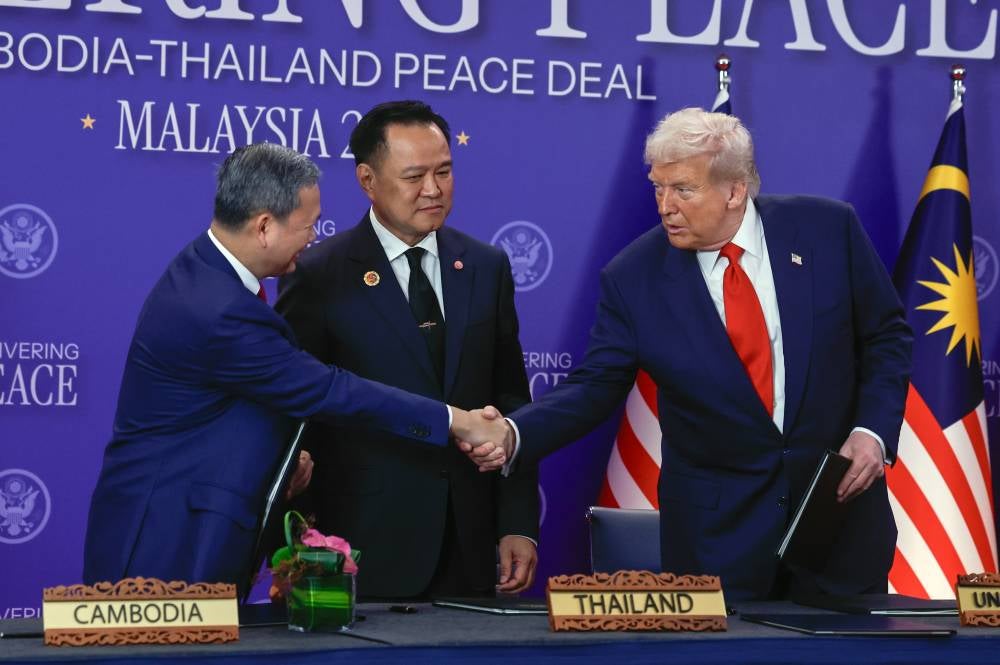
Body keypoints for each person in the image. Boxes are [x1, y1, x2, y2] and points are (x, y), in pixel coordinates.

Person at [465, 108, 913, 602]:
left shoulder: (829, 231)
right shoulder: (633, 276)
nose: (665, 206)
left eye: (683, 189)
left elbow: (886, 337)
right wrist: (514, 432)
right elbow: (593, 388)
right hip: (717, 544)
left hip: (837, 526)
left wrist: (872, 432)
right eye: (657, 188)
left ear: (735, 190)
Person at [82, 142, 509, 592]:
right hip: (165, 542)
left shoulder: (206, 272)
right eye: (308, 227)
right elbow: (326, 389)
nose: (312, 239)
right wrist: (456, 420)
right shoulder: (216, 309)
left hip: (193, 526)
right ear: (264, 226)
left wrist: (286, 458)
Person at [276, 101, 539, 599]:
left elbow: (512, 402)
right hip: (359, 546)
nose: (433, 190)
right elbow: (295, 412)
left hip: (471, 545)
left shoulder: (486, 267)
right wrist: (297, 542)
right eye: (414, 175)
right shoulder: (317, 276)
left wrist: (518, 522)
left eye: (444, 171)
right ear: (368, 180)